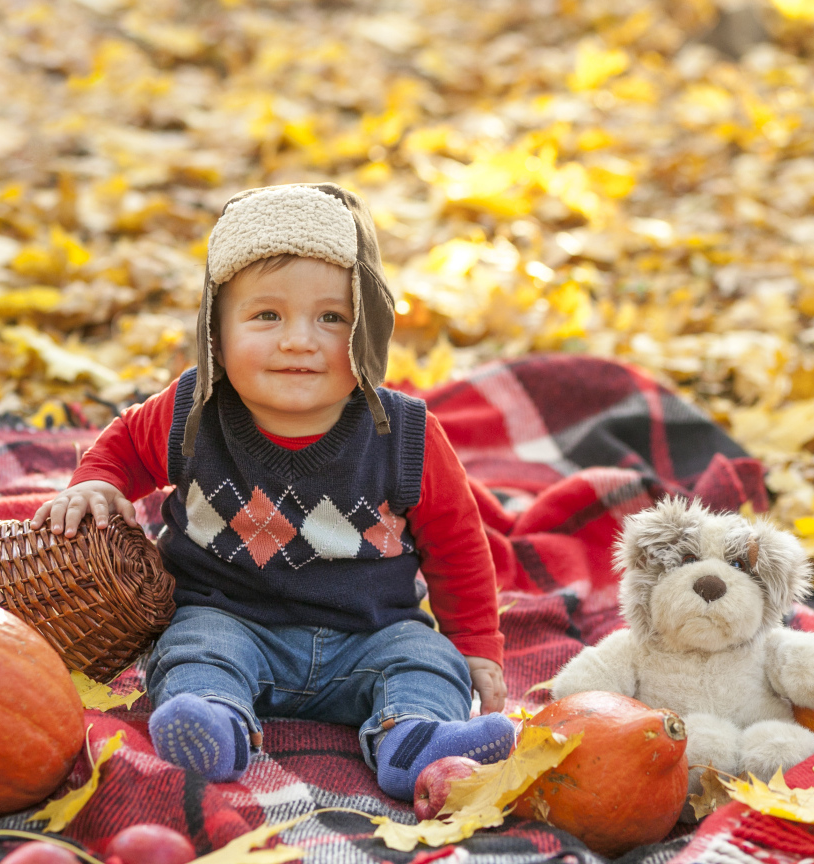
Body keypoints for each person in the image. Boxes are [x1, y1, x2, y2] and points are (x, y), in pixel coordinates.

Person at [32, 183, 511, 801]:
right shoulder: (193, 412)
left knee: (425, 659)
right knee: (192, 648)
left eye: (332, 318)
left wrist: (476, 649)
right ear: (216, 331)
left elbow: (459, 547)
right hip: (229, 618)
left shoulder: (405, 436)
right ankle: (215, 723)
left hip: (370, 635)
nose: (298, 340)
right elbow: (123, 444)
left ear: (370, 330)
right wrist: (95, 483)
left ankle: (413, 738)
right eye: (266, 315)